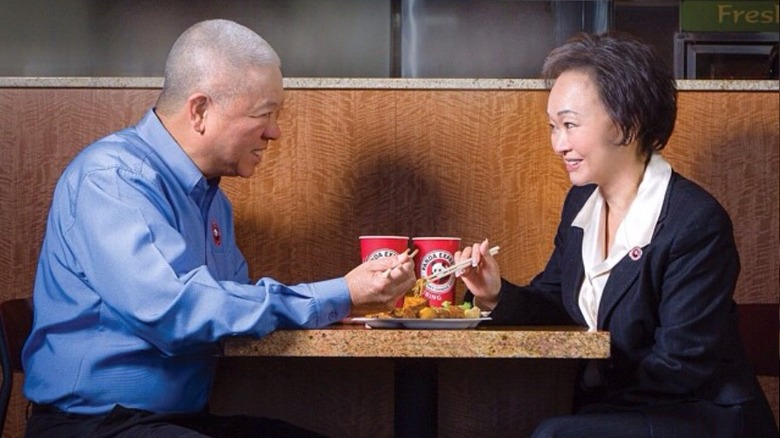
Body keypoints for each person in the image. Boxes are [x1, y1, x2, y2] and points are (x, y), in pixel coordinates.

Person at [22, 19, 416, 438]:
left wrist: (346, 303)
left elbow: (230, 310)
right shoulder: (112, 178)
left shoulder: (213, 202)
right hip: (96, 427)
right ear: (199, 111)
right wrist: (339, 295)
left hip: (175, 422)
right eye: (264, 114)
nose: (275, 132)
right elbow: (177, 311)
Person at [456, 32, 778, 438]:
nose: (558, 144)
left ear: (629, 122)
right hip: (621, 411)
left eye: (570, 125)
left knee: (555, 434)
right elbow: (556, 305)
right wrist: (494, 294)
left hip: (697, 415)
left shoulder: (694, 221)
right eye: (553, 127)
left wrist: (592, 377)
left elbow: (684, 362)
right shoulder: (581, 205)